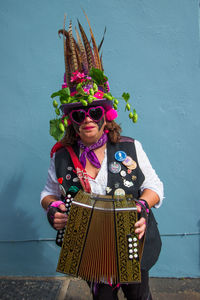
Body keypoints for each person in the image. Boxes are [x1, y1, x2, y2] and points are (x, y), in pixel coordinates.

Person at [41, 14, 164, 300]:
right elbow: (47, 193)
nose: (88, 120)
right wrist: (53, 208)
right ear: (70, 120)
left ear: (106, 115)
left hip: (135, 242)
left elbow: (155, 186)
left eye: (95, 111)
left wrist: (143, 207)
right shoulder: (61, 157)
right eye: (79, 113)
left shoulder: (131, 147)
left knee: (138, 296)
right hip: (90, 249)